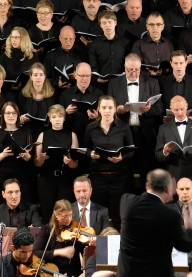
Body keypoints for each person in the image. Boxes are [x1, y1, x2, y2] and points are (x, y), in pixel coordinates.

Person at [116, 169, 192, 277]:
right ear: (168, 189)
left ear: (147, 185)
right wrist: (190, 227)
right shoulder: (170, 215)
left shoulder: (126, 201)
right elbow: (185, 246)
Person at [108, 53, 163, 177]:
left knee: (146, 172)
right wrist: (116, 110)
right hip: (123, 134)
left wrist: (148, 109)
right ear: (124, 67)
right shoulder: (114, 83)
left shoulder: (152, 82)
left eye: (137, 70)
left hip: (145, 134)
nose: (134, 73)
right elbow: (107, 106)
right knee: (125, 173)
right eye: (130, 70)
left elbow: (160, 108)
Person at [85, 95, 133, 230]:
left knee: (118, 217)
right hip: (98, 177)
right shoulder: (91, 128)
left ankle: (119, 243)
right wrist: (90, 154)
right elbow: (85, 149)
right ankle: (99, 243)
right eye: (104, 107)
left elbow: (131, 150)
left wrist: (122, 158)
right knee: (98, 217)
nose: (107, 111)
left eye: (110, 108)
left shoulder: (123, 127)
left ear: (115, 109)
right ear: (99, 109)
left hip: (119, 177)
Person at [155, 95, 192, 199]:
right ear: (171, 109)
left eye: (182, 109)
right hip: (173, 180)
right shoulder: (163, 128)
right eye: (176, 110)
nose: (180, 113)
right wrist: (165, 152)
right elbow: (158, 156)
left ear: (186, 106)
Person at [33, 105, 78, 221]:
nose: (57, 119)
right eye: (54, 117)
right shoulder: (42, 135)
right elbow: (36, 162)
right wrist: (41, 159)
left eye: (60, 116)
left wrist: (69, 161)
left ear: (64, 118)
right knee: (47, 213)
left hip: (65, 179)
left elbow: (75, 164)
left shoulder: (72, 135)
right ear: (49, 119)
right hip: (46, 179)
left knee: (64, 213)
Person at [0, 101, 33, 202]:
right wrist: (3, 154)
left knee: (23, 207)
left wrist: (26, 156)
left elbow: (30, 158)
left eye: (14, 113)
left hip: (21, 175)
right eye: (8, 113)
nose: (11, 116)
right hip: (1, 176)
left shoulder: (26, 132)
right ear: (3, 115)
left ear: (17, 115)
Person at [32, 199, 84, 275]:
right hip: (51, 272)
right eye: (65, 216)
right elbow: (36, 252)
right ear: (56, 215)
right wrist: (58, 252)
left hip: (72, 272)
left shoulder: (75, 229)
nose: (69, 219)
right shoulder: (46, 230)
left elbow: (84, 251)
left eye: (70, 215)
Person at [60, 62, 102, 138]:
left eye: (88, 75)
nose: (85, 79)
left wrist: (97, 117)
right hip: (70, 136)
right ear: (75, 75)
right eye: (82, 75)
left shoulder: (99, 94)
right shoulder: (65, 95)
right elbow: (58, 119)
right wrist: (66, 113)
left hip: (93, 136)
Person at [43, 25, 85, 92]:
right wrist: (57, 84)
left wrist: (78, 76)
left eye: (71, 39)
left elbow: (87, 75)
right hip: (56, 92)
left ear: (74, 38)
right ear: (60, 38)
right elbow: (45, 77)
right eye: (65, 39)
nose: (68, 42)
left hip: (77, 91)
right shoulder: (50, 56)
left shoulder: (81, 54)